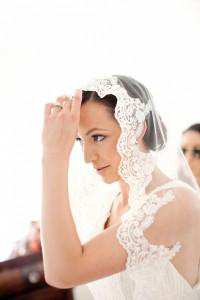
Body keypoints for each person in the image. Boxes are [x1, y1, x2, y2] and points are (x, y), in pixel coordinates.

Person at [41, 75, 200, 299]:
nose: (87, 157)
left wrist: (53, 156)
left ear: (136, 128)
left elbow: (62, 273)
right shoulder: (107, 204)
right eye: (79, 140)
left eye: (97, 137)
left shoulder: (176, 202)